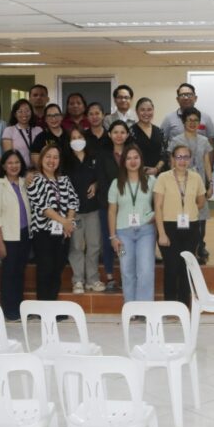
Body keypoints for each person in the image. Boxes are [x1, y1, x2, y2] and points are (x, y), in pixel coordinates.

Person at [154, 144, 207, 307]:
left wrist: (188, 210)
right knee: (171, 267)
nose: (182, 161)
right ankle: (170, 306)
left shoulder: (196, 177)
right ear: (172, 159)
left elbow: (201, 201)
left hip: (191, 227)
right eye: (178, 157)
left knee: (186, 267)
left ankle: (184, 305)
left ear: (190, 160)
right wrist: (161, 233)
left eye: (186, 157)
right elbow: (158, 207)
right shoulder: (163, 178)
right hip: (169, 227)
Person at [27, 145, 79, 302]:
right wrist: (65, 222)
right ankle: (43, 308)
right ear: (42, 159)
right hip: (43, 233)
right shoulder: (34, 180)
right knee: (45, 270)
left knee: (57, 269)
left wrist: (69, 221)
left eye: (55, 157)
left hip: (63, 233)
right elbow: (42, 207)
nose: (52, 160)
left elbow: (74, 201)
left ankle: (52, 305)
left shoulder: (64, 180)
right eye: (48, 156)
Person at [108, 145, 157, 302]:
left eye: (136, 157)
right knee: (126, 271)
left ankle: (144, 309)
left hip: (146, 232)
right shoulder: (116, 183)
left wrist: (154, 215)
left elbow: (161, 204)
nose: (133, 161)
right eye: (129, 158)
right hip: (123, 235)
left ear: (141, 160)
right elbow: (112, 211)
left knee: (146, 270)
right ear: (123, 162)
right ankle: (130, 308)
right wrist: (113, 237)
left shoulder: (151, 181)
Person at [0, 150, 32, 322]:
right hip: (8, 237)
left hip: (25, 234)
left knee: (20, 272)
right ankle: (9, 310)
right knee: (9, 273)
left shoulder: (24, 183)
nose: (14, 166)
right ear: (4, 166)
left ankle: (19, 307)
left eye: (17, 162)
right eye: (10, 163)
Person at [169, 108, 214, 263]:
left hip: (199, 184)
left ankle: (199, 247)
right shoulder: (176, 140)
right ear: (183, 122)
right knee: (184, 217)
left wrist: (210, 184)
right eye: (189, 120)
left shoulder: (204, 140)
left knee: (201, 219)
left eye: (196, 120)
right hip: (181, 184)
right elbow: (172, 164)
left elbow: (207, 163)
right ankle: (185, 250)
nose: (193, 123)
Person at [64, 127, 103, 294]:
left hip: (93, 209)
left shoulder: (94, 158)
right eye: (73, 137)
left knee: (94, 245)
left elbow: (101, 178)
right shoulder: (65, 161)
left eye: (79, 136)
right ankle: (78, 280)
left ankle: (92, 279)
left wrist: (96, 184)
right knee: (77, 246)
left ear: (85, 139)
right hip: (74, 212)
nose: (77, 140)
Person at [96, 120, 133, 292]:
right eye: (115, 132)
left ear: (127, 134)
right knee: (109, 239)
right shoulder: (103, 154)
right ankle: (110, 275)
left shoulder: (132, 153)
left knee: (124, 241)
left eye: (122, 132)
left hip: (128, 206)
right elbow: (101, 180)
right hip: (107, 205)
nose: (119, 135)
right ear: (109, 135)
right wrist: (112, 202)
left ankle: (126, 275)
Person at [130, 98, 168, 176]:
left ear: (153, 111)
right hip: (137, 174)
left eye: (149, 110)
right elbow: (127, 155)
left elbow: (165, 154)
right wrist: (142, 169)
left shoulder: (159, 131)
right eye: (142, 110)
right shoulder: (130, 132)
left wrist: (156, 169)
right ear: (136, 112)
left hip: (158, 175)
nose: (146, 113)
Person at [1, 99, 42, 169]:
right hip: (17, 170)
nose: (24, 114)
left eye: (27, 111)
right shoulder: (9, 130)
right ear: (15, 114)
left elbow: (43, 152)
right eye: (20, 111)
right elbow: (9, 156)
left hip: (37, 169)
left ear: (31, 113)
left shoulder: (38, 130)